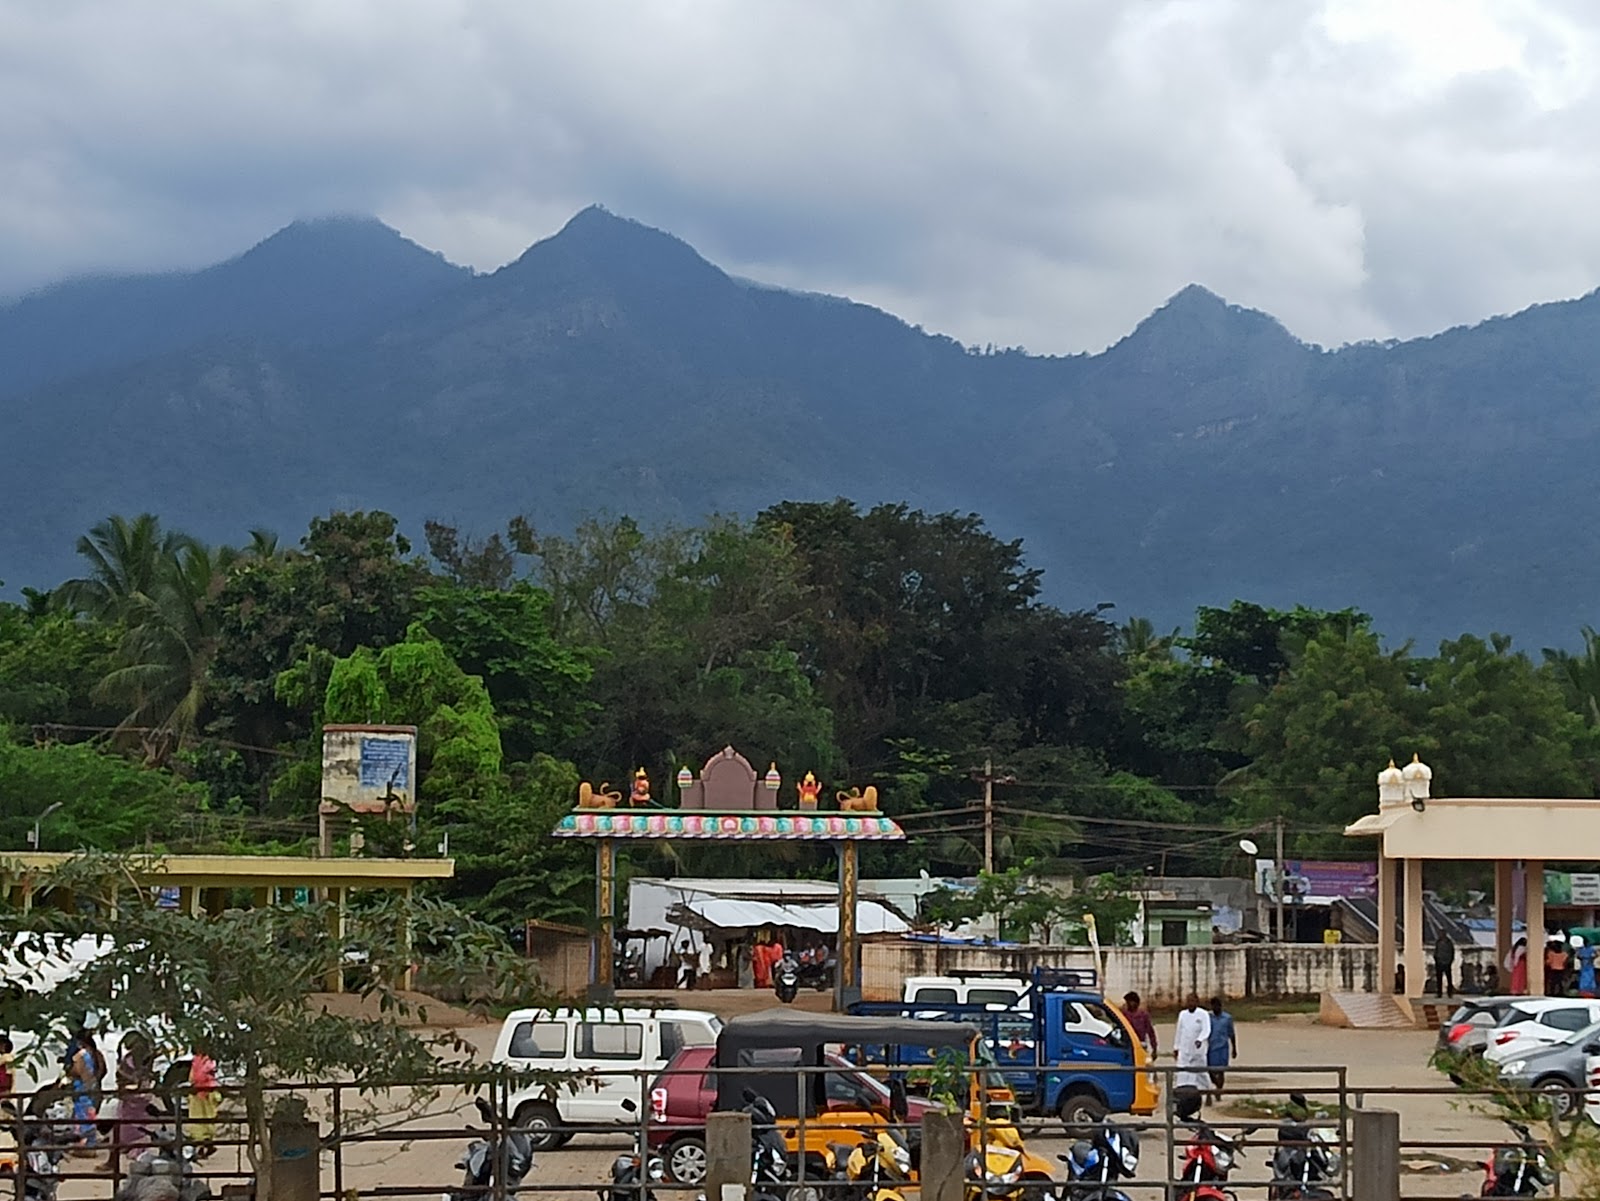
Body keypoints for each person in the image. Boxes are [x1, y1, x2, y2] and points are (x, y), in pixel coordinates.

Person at [65, 1024, 104, 1154]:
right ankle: (90, 1144)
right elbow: (102, 1070)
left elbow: (77, 1070)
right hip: (93, 1087)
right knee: (90, 1116)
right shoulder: (96, 1053)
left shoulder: (81, 1055)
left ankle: (86, 1146)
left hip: (82, 1088)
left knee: (83, 1118)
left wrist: (70, 1072)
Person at [1174, 993, 1212, 1096]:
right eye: (1188, 1001)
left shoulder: (1203, 1014)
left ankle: (1208, 1092)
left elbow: (1206, 1030)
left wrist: (1200, 1039)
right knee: (1182, 1072)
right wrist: (1176, 1047)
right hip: (1184, 1049)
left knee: (1201, 1073)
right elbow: (1179, 1031)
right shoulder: (1182, 1014)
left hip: (1197, 1050)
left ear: (1197, 1002)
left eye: (1192, 1001)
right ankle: (1183, 1094)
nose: (1190, 1003)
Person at [188, 1050, 220, 1157]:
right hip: (202, 1094)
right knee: (204, 1121)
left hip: (203, 1094)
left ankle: (203, 1146)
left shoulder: (204, 1061)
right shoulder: (200, 1060)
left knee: (201, 1122)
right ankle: (204, 1146)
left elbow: (198, 1077)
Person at [1206, 997, 1238, 1100]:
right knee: (1210, 1070)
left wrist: (1234, 1048)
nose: (1216, 1008)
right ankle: (1215, 1085)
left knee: (1221, 1071)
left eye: (1218, 1006)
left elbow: (1231, 1034)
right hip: (1211, 1048)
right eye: (1214, 1006)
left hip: (1223, 1048)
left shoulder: (1227, 1018)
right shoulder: (1208, 1018)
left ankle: (1219, 1091)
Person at [1120, 992, 1159, 1059]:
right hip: (1127, 1045)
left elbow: (1151, 1032)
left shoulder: (1143, 1015)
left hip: (1140, 1044)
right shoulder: (1124, 1014)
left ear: (1135, 1002)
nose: (1128, 1004)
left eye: (1129, 1002)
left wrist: (1154, 1049)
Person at [1433, 932, 1457, 998]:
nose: (1440, 935)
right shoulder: (1438, 942)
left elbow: (1452, 952)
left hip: (1447, 963)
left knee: (1449, 979)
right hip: (1439, 963)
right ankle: (1439, 993)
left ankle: (1450, 993)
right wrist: (1436, 959)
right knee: (1439, 979)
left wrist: (1450, 961)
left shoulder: (1449, 943)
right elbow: (1436, 951)